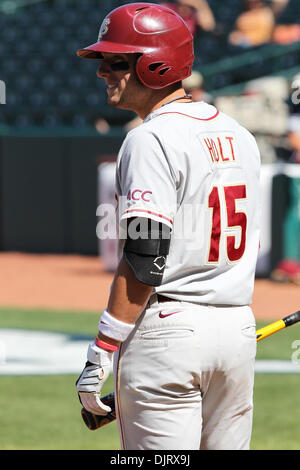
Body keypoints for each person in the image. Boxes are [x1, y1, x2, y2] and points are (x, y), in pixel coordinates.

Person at [76, 3, 261, 450]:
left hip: (167, 331)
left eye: (116, 62)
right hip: (236, 330)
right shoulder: (239, 133)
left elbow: (145, 251)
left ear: (156, 65)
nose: (103, 72)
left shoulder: (149, 138)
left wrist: (103, 345)